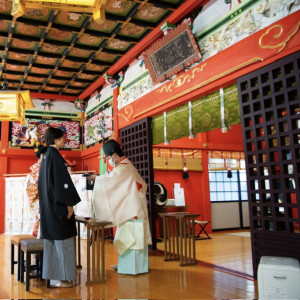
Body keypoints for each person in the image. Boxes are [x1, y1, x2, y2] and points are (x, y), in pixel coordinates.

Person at [91, 139, 152, 275]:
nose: (108, 160)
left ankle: (132, 268)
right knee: (129, 237)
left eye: (107, 158)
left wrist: (97, 179)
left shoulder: (124, 167)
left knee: (133, 238)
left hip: (133, 207)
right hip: (131, 204)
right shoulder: (124, 165)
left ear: (113, 155)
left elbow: (111, 182)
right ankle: (127, 265)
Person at [38, 127, 81, 288]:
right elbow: (62, 185)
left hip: (48, 210)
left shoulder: (45, 157)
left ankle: (54, 276)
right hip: (58, 210)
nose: (64, 141)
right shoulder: (55, 157)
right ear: (55, 140)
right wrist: (69, 206)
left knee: (53, 245)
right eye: (62, 139)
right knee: (64, 245)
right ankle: (65, 278)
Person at [25, 141, 47, 237]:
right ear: (42, 155)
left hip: (35, 200)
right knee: (42, 223)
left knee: (40, 223)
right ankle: (38, 247)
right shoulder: (40, 170)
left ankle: (39, 246)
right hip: (39, 200)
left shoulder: (33, 171)